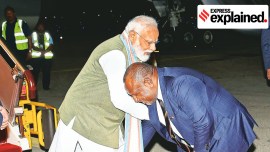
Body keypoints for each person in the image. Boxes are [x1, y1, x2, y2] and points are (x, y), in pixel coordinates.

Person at [49, 15, 159, 151]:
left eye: (155, 42)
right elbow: (120, 99)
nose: (153, 47)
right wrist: (155, 114)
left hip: (104, 118)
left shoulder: (131, 52)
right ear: (132, 36)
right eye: (149, 42)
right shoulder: (115, 53)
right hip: (86, 117)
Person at [124, 62, 257, 152]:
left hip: (223, 129)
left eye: (136, 93)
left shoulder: (179, 84)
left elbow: (203, 123)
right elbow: (149, 125)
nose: (135, 100)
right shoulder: (151, 98)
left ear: (148, 82)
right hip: (194, 138)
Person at [30, 21, 54, 90]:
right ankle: (34, 87)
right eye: (39, 26)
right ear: (37, 27)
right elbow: (32, 45)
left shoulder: (47, 34)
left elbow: (51, 45)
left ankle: (46, 87)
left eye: (42, 26)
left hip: (47, 57)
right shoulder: (33, 34)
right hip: (36, 57)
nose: (40, 28)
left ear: (44, 27)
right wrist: (41, 51)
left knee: (46, 73)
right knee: (35, 73)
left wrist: (45, 51)